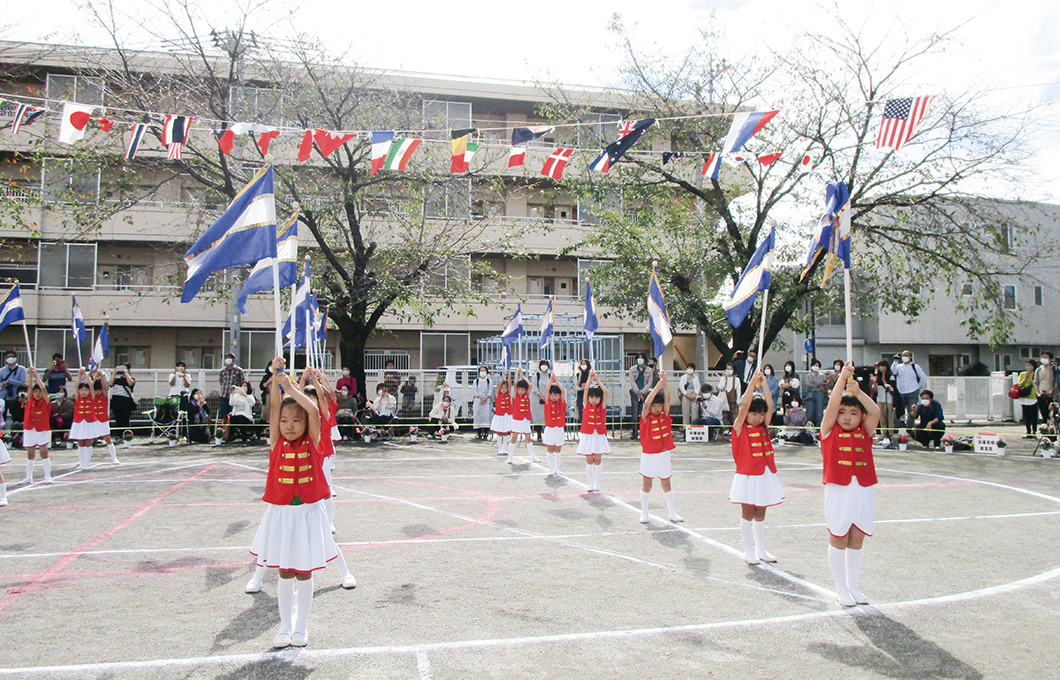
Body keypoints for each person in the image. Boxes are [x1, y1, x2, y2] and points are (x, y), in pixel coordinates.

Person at [248, 357, 340, 649]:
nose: (289, 426)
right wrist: (278, 376)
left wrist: (291, 385)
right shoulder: (276, 443)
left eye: (296, 421)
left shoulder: (313, 442)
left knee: (304, 571)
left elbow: (313, 409)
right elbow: (276, 408)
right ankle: (284, 626)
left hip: (307, 514)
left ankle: (301, 628)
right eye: (285, 422)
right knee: (284, 571)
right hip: (282, 515)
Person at [820, 362, 881, 606]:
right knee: (839, 536)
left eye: (853, 413)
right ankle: (841, 588)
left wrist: (857, 391)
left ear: (861, 417)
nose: (847, 417)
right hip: (839, 489)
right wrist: (841, 380)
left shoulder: (866, 432)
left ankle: (853, 585)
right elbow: (832, 407)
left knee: (857, 538)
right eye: (844, 413)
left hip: (863, 488)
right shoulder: (829, 432)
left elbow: (875, 411)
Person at [729, 370, 783, 564]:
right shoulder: (740, 427)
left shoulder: (764, 427)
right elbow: (744, 406)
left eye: (760, 414)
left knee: (761, 510)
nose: (758, 417)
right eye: (754, 413)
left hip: (764, 473)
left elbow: (770, 407)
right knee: (748, 511)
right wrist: (752, 384)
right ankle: (748, 550)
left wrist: (765, 384)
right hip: (747, 475)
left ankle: (761, 549)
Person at [639, 370, 682, 523]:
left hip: (663, 455)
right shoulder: (645, 417)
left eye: (659, 405)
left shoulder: (664, 415)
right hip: (649, 456)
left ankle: (672, 513)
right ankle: (644, 513)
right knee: (647, 483)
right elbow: (646, 404)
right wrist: (657, 387)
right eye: (654, 406)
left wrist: (665, 383)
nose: (657, 408)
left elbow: (668, 399)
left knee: (666, 483)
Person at [577, 369, 610, 492]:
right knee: (589, 459)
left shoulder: (602, 407)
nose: (594, 400)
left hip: (599, 434)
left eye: (596, 398)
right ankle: (590, 484)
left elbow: (605, 392)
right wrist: (590, 378)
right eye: (592, 397)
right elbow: (585, 391)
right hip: (588, 435)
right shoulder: (586, 405)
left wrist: (597, 379)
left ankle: (598, 484)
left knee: (598, 459)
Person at [20, 368, 53, 484]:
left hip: (41, 428)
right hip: (30, 428)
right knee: (30, 453)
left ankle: (47, 475)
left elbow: (43, 388)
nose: (38, 394)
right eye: (36, 392)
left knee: (43, 452)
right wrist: (30, 375)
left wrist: (36, 377)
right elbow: (29, 387)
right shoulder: (30, 400)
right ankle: (29, 477)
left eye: (39, 392)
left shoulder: (45, 401)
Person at [69, 370, 98, 470]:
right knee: (80, 442)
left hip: (89, 421)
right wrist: (79, 375)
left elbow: (91, 385)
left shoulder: (91, 397)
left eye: (86, 390)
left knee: (88, 442)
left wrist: (86, 375)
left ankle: (87, 463)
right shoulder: (78, 398)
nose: (83, 392)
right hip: (79, 421)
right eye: (82, 390)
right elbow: (76, 385)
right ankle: (81, 463)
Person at [891, 350, 928, 428]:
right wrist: (895, 361)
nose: (905, 357)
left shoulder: (915, 366)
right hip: (901, 392)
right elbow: (892, 372)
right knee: (898, 411)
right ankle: (895, 428)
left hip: (912, 391)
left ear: (910, 357)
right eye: (903, 356)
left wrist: (917, 387)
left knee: (911, 411)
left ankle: (910, 429)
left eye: (906, 356)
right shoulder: (898, 367)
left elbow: (923, 377)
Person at [508, 367, 538, 463]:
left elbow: (530, 385)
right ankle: (510, 457)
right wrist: (517, 374)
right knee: (514, 437)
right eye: (519, 389)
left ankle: (533, 457)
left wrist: (523, 376)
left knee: (528, 437)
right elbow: (515, 383)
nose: (520, 391)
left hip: (525, 419)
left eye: (522, 390)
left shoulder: (526, 395)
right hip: (517, 419)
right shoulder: (516, 396)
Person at [92, 369, 119, 464]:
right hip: (93, 420)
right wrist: (95, 377)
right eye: (96, 390)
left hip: (103, 420)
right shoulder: (92, 397)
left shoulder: (104, 396)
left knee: (107, 438)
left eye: (99, 390)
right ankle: (84, 459)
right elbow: (91, 387)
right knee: (89, 440)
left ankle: (114, 457)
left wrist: (101, 376)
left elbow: (104, 387)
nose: (98, 392)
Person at [542, 373, 566, 476]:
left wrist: (556, 381)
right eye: (552, 394)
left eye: (556, 395)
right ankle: (550, 469)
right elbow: (547, 390)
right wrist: (550, 380)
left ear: (559, 396)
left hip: (559, 428)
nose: (553, 397)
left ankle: (557, 469)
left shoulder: (562, 403)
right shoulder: (547, 402)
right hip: (550, 428)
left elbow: (563, 391)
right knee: (550, 448)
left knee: (558, 448)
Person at [869, 361, 899, 440]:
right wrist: (875, 382)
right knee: (882, 417)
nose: (882, 368)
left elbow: (892, 390)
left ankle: (890, 433)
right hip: (880, 399)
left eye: (883, 366)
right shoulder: (877, 377)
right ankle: (884, 433)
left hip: (888, 400)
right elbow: (875, 390)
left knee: (889, 417)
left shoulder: (891, 377)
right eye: (880, 366)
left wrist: (884, 380)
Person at [628, 353, 652, 439]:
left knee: (646, 412)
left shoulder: (649, 370)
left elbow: (649, 382)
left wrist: (643, 391)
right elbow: (632, 381)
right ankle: (634, 432)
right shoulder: (632, 369)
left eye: (642, 358)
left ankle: (645, 432)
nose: (640, 359)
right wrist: (637, 391)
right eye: (638, 358)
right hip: (635, 392)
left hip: (645, 392)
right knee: (635, 412)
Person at [108, 363, 137, 436]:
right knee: (118, 419)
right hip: (116, 400)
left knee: (126, 419)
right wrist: (114, 373)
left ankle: (127, 435)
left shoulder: (131, 379)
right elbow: (110, 384)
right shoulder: (116, 380)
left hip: (126, 401)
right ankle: (119, 435)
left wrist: (126, 374)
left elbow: (131, 384)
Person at [0, 350, 27, 425]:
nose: (10, 358)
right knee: (2, 416)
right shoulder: (2, 371)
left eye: (12, 356)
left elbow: (22, 382)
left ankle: (14, 433)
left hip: (16, 397)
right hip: (4, 396)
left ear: (16, 357)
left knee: (16, 416)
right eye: (8, 357)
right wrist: (3, 385)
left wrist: (10, 381)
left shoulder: (21, 369)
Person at [218, 352, 245, 422]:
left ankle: (232, 430)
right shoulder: (222, 371)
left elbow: (242, 382)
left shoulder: (239, 371)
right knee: (224, 414)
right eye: (226, 358)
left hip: (235, 396)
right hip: (224, 396)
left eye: (229, 358)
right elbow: (221, 381)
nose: (228, 360)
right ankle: (224, 430)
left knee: (233, 414)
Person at [1034, 352, 1059, 429]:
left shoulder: (1054, 369)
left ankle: (1052, 428)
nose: (1043, 358)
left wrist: (1051, 391)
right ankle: (1045, 428)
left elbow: (1056, 381)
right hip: (1041, 393)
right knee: (1043, 413)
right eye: (1042, 357)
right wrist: (1038, 392)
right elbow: (1036, 382)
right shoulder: (1039, 369)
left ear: (1050, 359)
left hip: (1051, 394)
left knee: (1052, 413)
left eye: (1046, 357)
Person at [1014, 361, 1039, 438]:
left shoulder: (1036, 373)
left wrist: (1030, 379)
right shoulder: (1022, 374)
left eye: (1030, 365)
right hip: (1024, 397)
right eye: (1027, 365)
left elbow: (1035, 384)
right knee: (1026, 416)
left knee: (1033, 415)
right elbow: (1020, 384)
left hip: (1033, 397)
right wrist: (1025, 379)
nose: (1028, 367)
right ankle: (1028, 431)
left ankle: (1034, 431)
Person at [491, 371, 512, 456]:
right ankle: (500, 448)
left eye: (505, 388)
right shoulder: (497, 395)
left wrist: (509, 375)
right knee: (499, 432)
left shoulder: (508, 394)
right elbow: (499, 384)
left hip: (506, 415)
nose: (503, 390)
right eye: (502, 388)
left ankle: (504, 448)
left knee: (506, 432)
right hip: (499, 415)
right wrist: (503, 376)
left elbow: (510, 384)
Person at [678, 364, 701, 441]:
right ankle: (685, 432)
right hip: (686, 395)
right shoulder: (683, 377)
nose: (690, 369)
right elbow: (681, 387)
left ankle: (694, 430)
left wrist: (695, 394)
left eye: (691, 368)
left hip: (694, 394)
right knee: (686, 413)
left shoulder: (696, 378)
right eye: (689, 368)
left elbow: (698, 387)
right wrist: (686, 394)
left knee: (695, 413)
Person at [530, 359, 551, 442]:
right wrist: (541, 396)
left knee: (547, 416)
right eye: (543, 365)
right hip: (537, 399)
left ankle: (546, 434)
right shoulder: (537, 375)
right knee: (537, 417)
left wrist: (548, 396)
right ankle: (538, 433)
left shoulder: (550, 375)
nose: (544, 367)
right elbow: (534, 386)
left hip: (548, 399)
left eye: (546, 365)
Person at [803, 360, 826, 428]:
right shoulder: (808, 376)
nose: (816, 367)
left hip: (819, 394)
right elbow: (808, 384)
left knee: (819, 412)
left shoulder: (822, 375)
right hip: (810, 393)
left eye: (817, 366)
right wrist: (818, 386)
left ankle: (819, 428)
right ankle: (808, 429)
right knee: (809, 413)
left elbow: (821, 382)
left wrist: (815, 384)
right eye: (814, 365)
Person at [472, 366, 493, 440]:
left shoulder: (489, 381)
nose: (483, 372)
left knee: (486, 417)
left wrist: (485, 398)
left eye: (484, 370)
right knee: (478, 416)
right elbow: (475, 391)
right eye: (481, 370)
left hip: (486, 401)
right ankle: (479, 432)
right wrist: (480, 397)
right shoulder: (476, 381)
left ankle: (486, 432)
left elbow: (490, 391)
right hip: (478, 400)